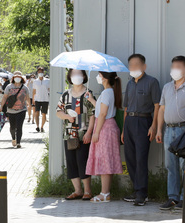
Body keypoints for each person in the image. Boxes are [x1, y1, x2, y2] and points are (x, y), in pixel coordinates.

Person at [155, 56, 185, 210]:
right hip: (168, 129)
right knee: (170, 166)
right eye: (173, 66)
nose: (174, 69)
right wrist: (159, 129)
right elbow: (162, 108)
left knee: (184, 165)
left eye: (178, 66)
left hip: (184, 130)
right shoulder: (167, 87)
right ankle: (172, 198)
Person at [122, 54, 161, 206]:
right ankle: (136, 189)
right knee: (130, 157)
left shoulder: (152, 82)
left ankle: (142, 193)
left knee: (141, 158)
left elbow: (157, 105)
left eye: (136, 65)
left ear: (144, 66)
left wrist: (154, 126)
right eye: (130, 65)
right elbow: (126, 107)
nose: (133, 68)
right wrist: (124, 130)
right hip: (129, 122)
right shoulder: (130, 84)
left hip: (144, 121)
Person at [56, 69, 95, 201]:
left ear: (84, 76)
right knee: (71, 162)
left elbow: (93, 115)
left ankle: (87, 191)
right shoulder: (65, 95)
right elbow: (58, 112)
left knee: (82, 161)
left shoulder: (89, 94)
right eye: (73, 74)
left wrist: (89, 132)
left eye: (79, 74)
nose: (76, 76)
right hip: (69, 134)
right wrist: (67, 116)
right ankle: (77, 190)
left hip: (84, 134)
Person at [86, 72, 123, 202]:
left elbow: (102, 114)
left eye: (99, 74)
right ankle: (105, 192)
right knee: (106, 159)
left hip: (104, 128)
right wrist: (91, 99)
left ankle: (105, 193)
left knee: (105, 159)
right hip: (108, 126)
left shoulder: (107, 92)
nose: (98, 77)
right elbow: (100, 109)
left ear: (105, 78)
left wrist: (96, 132)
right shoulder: (109, 91)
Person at [1, 71, 31, 148]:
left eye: (19, 77)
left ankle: (18, 142)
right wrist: (1, 106)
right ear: (13, 78)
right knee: (12, 127)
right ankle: (13, 138)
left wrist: (30, 106)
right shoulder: (9, 87)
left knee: (19, 126)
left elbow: (27, 98)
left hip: (22, 110)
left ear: (21, 78)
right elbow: (4, 97)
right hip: (11, 110)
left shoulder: (25, 88)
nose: (17, 78)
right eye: (16, 76)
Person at [32, 67, 50, 132]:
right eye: (39, 72)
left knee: (44, 114)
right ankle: (37, 126)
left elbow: (49, 89)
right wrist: (33, 99)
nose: (40, 73)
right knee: (37, 113)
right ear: (37, 73)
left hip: (45, 99)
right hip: (37, 99)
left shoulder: (48, 81)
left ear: (43, 73)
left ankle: (42, 126)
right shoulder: (35, 81)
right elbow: (34, 91)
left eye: (41, 72)